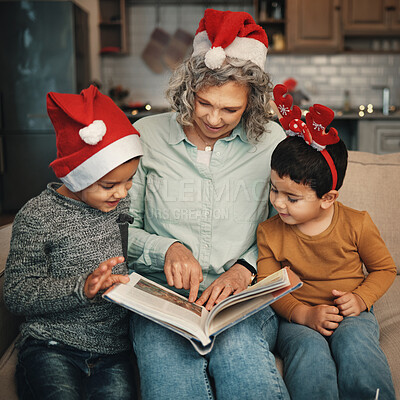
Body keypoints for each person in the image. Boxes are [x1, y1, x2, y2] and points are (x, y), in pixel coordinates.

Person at [127, 8, 289, 400]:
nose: (214, 118)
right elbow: (116, 227)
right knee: (170, 375)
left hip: (238, 299)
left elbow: (285, 226)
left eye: (230, 109)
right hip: (161, 296)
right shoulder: (145, 136)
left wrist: (245, 269)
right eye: (204, 104)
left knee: (240, 356)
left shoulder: (270, 141)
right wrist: (166, 247)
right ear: (188, 91)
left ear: (251, 103)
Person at [257, 85, 396, 400]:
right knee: (309, 354)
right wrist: (303, 315)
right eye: (274, 189)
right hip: (298, 315)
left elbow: (384, 269)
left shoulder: (356, 223)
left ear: (328, 198)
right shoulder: (269, 232)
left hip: (351, 313)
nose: (278, 203)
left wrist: (361, 299)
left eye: (292, 198)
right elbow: (269, 286)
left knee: (357, 347)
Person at [4, 85, 143, 400]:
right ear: (77, 175)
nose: (122, 194)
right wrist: (82, 288)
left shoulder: (119, 206)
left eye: (129, 181)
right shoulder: (39, 215)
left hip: (112, 352)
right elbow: (16, 293)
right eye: (109, 185)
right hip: (51, 346)